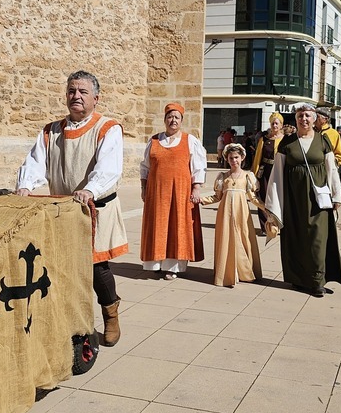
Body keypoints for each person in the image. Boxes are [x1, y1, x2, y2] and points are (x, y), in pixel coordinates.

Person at [16, 70, 126, 347]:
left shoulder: (107, 128)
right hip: (62, 211)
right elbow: (35, 161)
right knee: (60, 268)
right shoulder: (51, 130)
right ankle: (68, 320)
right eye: (71, 91)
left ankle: (110, 315)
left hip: (94, 210)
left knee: (97, 268)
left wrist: (91, 189)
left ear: (95, 98)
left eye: (82, 92)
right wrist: (25, 186)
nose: (76, 96)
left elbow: (109, 168)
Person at [265, 103, 341, 298]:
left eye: (308, 116)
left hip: (319, 200)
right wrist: (274, 203)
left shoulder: (323, 141)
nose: (304, 120)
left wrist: (337, 195)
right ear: (296, 119)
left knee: (318, 238)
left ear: (314, 118)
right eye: (301, 116)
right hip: (293, 199)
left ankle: (317, 281)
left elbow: (331, 169)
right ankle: (299, 279)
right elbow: (277, 173)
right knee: (296, 238)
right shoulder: (287, 143)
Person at [139, 103, 206, 280]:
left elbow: (198, 167)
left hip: (180, 192)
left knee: (177, 227)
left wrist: (196, 188)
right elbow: (145, 166)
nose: (173, 120)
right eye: (170, 116)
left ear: (181, 121)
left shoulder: (189, 141)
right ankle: (156, 263)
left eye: (176, 117)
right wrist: (144, 187)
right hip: (157, 192)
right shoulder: (154, 140)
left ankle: (173, 267)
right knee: (158, 225)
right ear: (165, 120)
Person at [200, 144, 265, 287]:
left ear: (242, 158)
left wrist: (265, 207)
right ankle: (227, 272)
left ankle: (245, 271)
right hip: (225, 213)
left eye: (236, 157)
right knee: (226, 239)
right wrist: (202, 199)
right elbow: (217, 197)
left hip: (242, 213)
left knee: (243, 238)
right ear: (227, 159)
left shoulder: (248, 176)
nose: (234, 160)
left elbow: (253, 197)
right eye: (230, 158)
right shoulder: (223, 177)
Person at [251, 113, 284, 227]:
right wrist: (254, 175)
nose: (274, 125)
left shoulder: (286, 140)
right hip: (266, 171)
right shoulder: (264, 139)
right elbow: (257, 157)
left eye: (276, 123)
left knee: (279, 197)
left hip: (280, 171)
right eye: (272, 123)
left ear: (281, 125)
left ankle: (278, 223)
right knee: (263, 197)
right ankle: (265, 225)